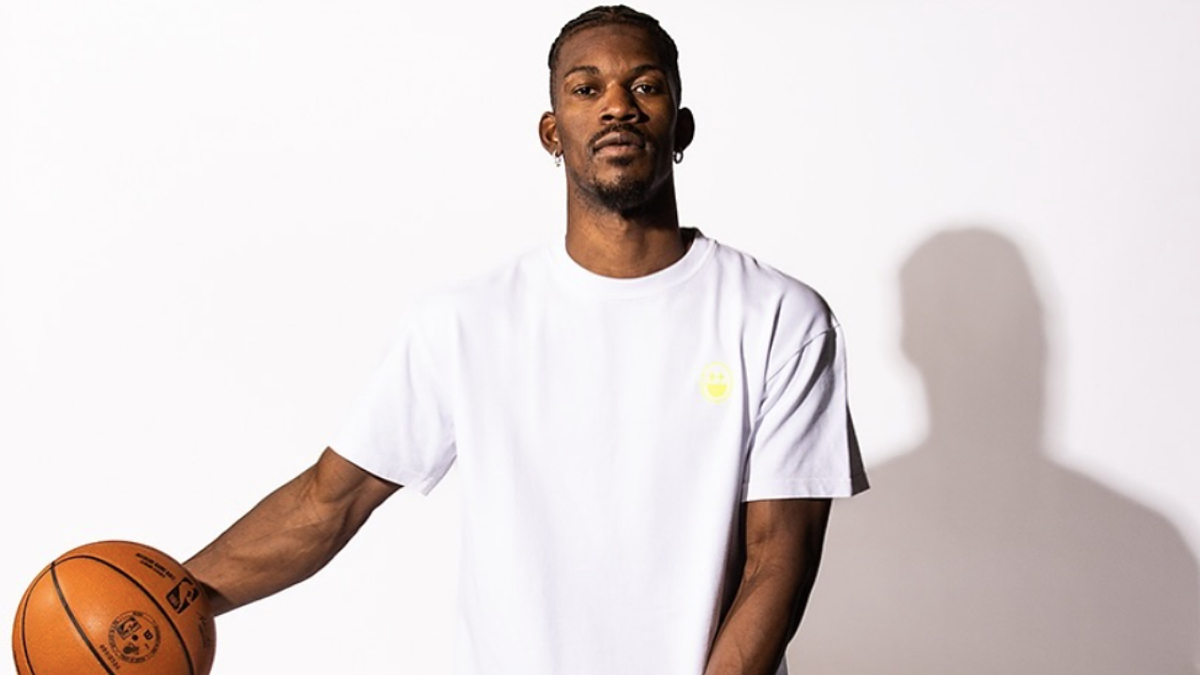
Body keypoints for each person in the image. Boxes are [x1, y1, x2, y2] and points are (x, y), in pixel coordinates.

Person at [185, 6, 868, 675]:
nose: (617, 106)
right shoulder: (465, 322)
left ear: (680, 126)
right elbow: (327, 502)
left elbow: (778, 558)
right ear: (552, 132)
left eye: (646, 85)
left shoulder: (780, 316)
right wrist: (161, 601)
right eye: (586, 87)